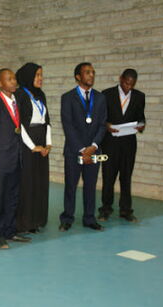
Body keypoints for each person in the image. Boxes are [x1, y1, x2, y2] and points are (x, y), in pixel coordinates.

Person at [0, 68, 32, 249]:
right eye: (9, 79)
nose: (13, 81)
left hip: (16, 157)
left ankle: (10, 230)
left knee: (13, 196)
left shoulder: (16, 102)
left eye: (14, 78)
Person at [59, 62, 107, 232]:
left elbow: (102, 125)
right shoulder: (67, 97)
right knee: (71, 186)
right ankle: (67, 218)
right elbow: (68, 125)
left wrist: (93, 146)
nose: (91, 75)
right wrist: (81, 149)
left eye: (93, 72)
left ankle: (89, 218)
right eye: (87, 73)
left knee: (90, 185)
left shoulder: (100, 98)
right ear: (78, 77)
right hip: (74, 150)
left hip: (94, 150)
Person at [98, 69, 145, 223]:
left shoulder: (139, 96)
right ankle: (105, 209)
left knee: (126, 178)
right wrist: (107, 125)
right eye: (126, 83)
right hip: (110, 142)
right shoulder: (106, 94)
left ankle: (126, 210)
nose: (128, 87)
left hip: (129, 144)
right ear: (120, 79)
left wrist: (141, 125)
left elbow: (141, 118)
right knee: (108, 177)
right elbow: (101, 118)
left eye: (132, 84)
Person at [15, 63, 52, 234]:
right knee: (27, 183)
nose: (40, 78)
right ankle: (24, 222)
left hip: (41, 141)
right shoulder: (20, 95)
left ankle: (37, 220)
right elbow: (19, 125)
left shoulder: (41, 94)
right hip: (27, 143)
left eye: (41, 75)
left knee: (40, 182)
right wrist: (33, 147)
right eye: (37, 75)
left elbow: (47, 121)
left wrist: (48, 144)